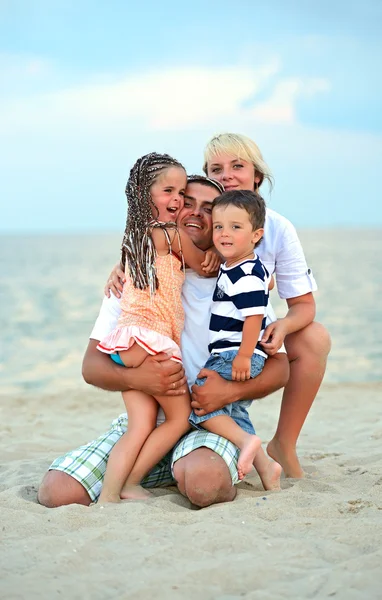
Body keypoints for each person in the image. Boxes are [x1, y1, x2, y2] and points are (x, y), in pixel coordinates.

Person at [38, 175, 289, 509]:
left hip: (211, 421)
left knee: (204, 484)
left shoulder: (238, 279)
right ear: (172, 208)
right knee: (58, 493)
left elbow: (280, 368)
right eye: (188, 202)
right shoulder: (136, 276)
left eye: (209, 208)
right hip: (146, 426)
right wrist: (135, 378)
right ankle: (154, 472)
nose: (196, 213)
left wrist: (230, 391)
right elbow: (91, 367)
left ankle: (185, 467)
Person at [199, 132, 331, 478]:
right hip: (203, 336)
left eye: (237, 166)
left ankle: (283, 444)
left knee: (313, 337)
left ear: (257, 175)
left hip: (248, 337)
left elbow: (303, 305)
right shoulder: (198, 219)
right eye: (216, 168)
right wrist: (124, 263)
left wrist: (283, 325)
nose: (226, 175)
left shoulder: (277, 228)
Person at [94, 152, 219, 503]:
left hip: (124, 345)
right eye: (169, 191)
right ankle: (132, 482)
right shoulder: (171, 231)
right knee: (179, 418)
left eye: (181, 192)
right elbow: (206, 267)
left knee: (139, 425)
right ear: (144, 194)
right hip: (152, 341)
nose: (177, 200)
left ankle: (108, 496)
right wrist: (219, 258)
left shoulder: (134, 236)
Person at [189, 189, 282, 487]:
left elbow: (254, 316)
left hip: (234, 354)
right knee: (236, 412)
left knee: (202, 403)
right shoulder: (238, 266)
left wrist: (243, 355)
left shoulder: (246, 272)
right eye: (219, 227)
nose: (224, 234)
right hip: (234, 353)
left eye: (235, 227)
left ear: (257, 235)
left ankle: (245, 441)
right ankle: (267, 468)